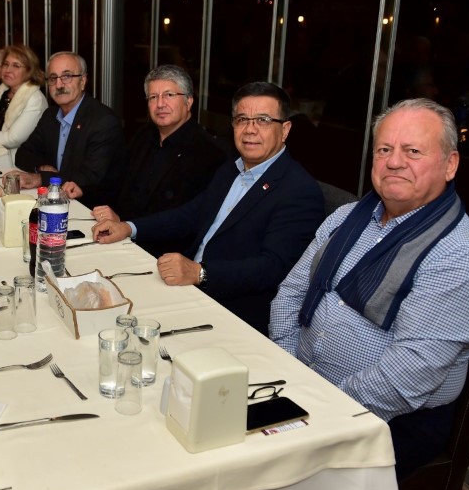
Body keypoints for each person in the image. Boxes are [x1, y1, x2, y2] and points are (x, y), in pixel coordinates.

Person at [269, 98, 469, 477]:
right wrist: (286, 366)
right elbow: (291, 292)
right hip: (303, 380)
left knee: (263, 478)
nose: (394, 162)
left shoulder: (460, 255)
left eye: (413, 151)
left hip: (390, 419)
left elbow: (407, 376)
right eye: (384, 150)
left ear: (450, 164)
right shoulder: (348, 217)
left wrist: (319, 409)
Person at [92, 81, 324, 333]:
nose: (250, 129)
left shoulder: (299, 191)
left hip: (231, 313)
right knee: (105, 306)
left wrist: (200, 273)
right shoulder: (230, 169)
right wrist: (129, 227)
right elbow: (190, 215)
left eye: (263, 120)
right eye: (242, 120)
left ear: (285, 130)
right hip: (187, 289)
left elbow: (272, 268)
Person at [80, 64, 225, 257]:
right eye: (153, 97)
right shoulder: (144, 135)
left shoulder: (208, 152)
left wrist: (125, 224)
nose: (160, 104)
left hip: (162, 254)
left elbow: (183, 219)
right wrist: (83, 191)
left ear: (189, 101)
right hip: (122, 237)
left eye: (169, 95)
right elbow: (117, 182)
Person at [14, 51, 126, 208]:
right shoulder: (50, 115)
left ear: (83, 81)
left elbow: (89, 177)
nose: (59, 85)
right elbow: (23, 154)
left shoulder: (103, 121)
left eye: (66, 76)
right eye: (53, 78)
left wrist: (41, 178)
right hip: (55, 201)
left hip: (90, 208)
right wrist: (42, 167)